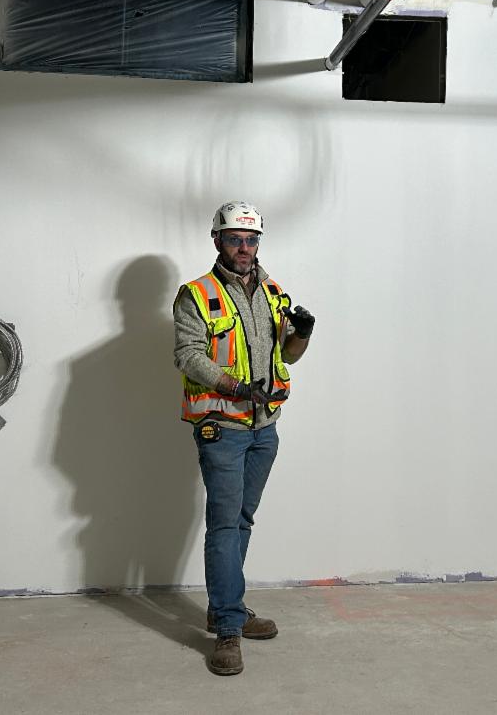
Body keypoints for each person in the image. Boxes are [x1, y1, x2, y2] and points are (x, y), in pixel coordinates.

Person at [172, 201, 315, 676]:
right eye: (235, 239)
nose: (245, 248)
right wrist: (234, 386)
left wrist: (304, 335)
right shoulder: (195, 294)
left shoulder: (273, 292)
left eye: (252, 240)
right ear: (217, 241)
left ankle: (223, 608)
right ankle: (229, 630)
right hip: (223, 428)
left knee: (243, 519)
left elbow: (288, 356)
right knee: (224, 524)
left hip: (264, 428)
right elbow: (189, 356)